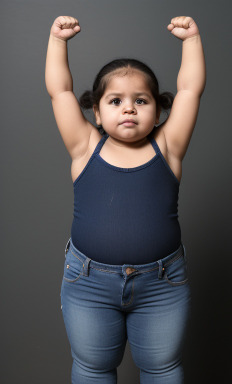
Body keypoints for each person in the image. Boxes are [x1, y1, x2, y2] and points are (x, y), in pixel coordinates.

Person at [45, 14, 206, 384]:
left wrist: (192, 40)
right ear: (96, 112)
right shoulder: (84, 145)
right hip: (88, 283)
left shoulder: (169, 145)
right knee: (92, 368)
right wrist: (57, 41)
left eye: (141, 100)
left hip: (162, 284)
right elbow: (60, 91)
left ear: (158, 110)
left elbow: (190, 90)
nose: (129, 108)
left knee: (162, 368)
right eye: (115, 101)